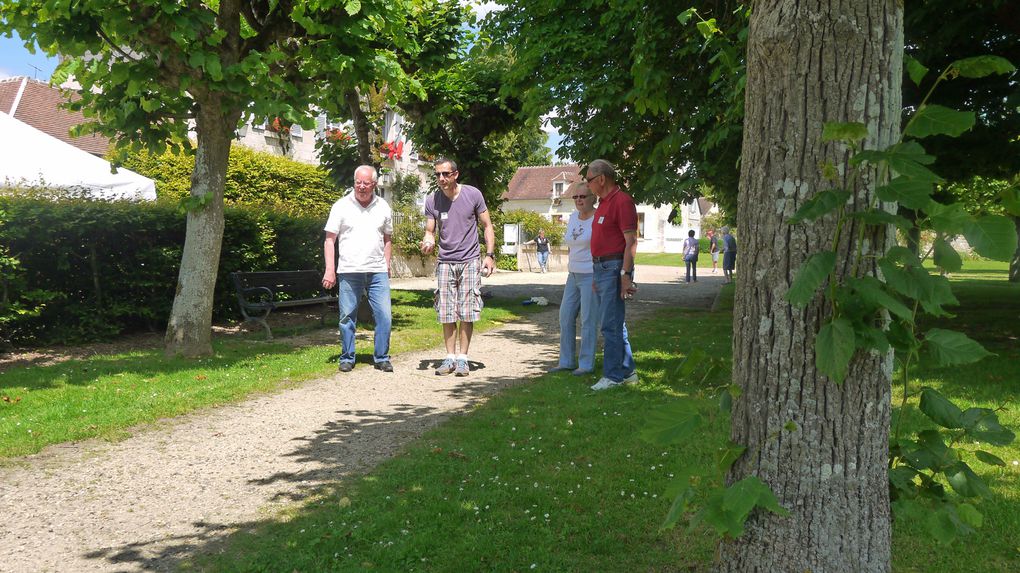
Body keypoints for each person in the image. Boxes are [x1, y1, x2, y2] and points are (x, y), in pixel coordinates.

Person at [420, 158, 496, 377]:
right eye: (437, 175)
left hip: (470, 259)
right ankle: (449, 357)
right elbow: (429, 229)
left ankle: (463, 358)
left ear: (455, 174)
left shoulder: (473, 194)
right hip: (445, 261)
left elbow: (487, 226)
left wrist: (489, 255)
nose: (441, 179)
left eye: (445, 174)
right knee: (445, 311)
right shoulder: (432, 200)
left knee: (467, 309)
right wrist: (428, 241)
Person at [322, 165, 394, 373]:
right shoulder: (341, 206)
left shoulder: (383, 206)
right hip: (349, 270)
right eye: (358, 182)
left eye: (366, 183)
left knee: (384, 316)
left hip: (377, 270)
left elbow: (388, 239)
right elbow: (329, 240)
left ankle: (381, 357)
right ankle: (347, 357)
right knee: (347, 317)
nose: (361, 187)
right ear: (354, 182)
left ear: (374, 184)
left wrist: (387, 265)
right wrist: (330, 269)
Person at [584, 159, 638, 391]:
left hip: (614, 267)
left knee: (610, 325)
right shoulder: (604, 203)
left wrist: (625, 275)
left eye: (589, 180)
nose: (587, 186)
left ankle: (613, 376)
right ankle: (627, 371)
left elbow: (631, 242)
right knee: (616, 322)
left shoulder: (622, 202)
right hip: (601, 268)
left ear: (601, 179)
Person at [549, 181, 599, 376]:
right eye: (576, 197)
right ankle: (567, 361)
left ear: (593, 198)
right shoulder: (572, 218)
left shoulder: (598, 219)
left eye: (583, 196)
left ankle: (586, 364)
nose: (579, 200)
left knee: (588, 320)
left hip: (591, 274)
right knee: (565, 316)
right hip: (574, 274)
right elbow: (571, 246)